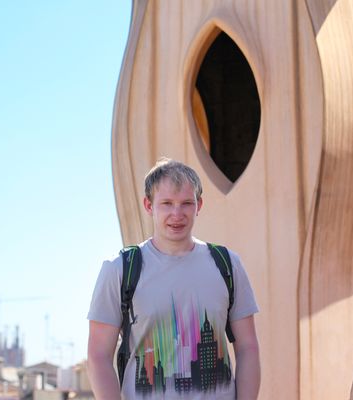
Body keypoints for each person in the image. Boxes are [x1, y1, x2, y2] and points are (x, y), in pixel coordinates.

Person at [87, 157, 260, 400]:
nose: (177, 214)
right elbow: (97, 356)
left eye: (186, 203)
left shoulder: (228, 265)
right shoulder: (119, 270)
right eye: (166, 203)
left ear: (199, 205)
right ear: (149, 206)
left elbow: (248, 347)